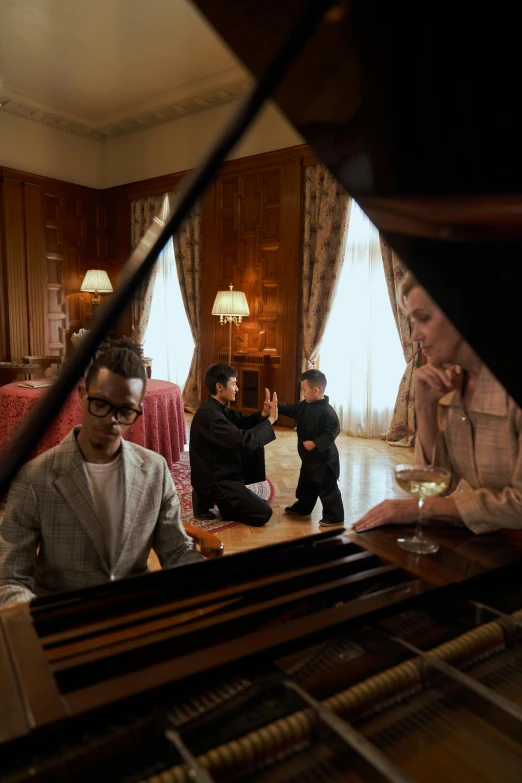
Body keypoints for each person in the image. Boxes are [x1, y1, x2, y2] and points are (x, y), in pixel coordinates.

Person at [0, 342, 202, 607]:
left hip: (136, 612)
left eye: (125, 410)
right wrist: (34, 621)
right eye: (101, 404)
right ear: (83, 395)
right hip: (65, 620)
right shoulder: (34, 477)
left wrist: (213, 581)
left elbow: (176, 551)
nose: (111, 420)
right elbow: (11, 579)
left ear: (137, 410)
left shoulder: (155, 469)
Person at [353, 272, 522, 534]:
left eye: (424, 318)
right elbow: (439, 483)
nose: (415, 335)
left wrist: (422, 509)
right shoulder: (452, 388)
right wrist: (424, 406)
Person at [189, 363, 278, 527]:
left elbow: (242, 423)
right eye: (234, 384)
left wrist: (263, 414)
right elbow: (242, 442)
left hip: (222, 468)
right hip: (215, 480)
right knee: (263, 513)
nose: (237, 388)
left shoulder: (216, 407)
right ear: (219, 387)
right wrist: (271, 420)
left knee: (255, 443)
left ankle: (231, 498)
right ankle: (217, 502)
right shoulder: (210, 415)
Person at [278, 369, 344, 526]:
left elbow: (331, 433)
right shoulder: (304, 405)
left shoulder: (328, 413)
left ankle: (335, 517)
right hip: (309, 458)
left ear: (316, 390)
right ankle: (303, 507)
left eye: (304, 390)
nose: (303, 393)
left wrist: (315, 443)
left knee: (327, 489)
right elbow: (292, 409)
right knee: (307, 484)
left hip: (325, 461)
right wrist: (276, 407)